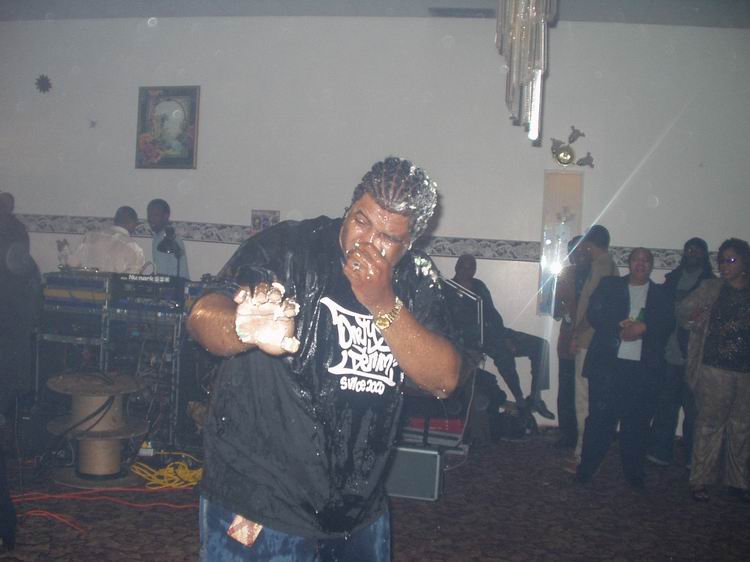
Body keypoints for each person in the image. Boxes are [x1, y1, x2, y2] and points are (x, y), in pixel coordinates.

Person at [187, 157, 461, 560]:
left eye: (387, 238)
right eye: (361, 221)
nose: (366, 243)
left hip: (358, 512)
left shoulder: (416, 278)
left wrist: (383, 303)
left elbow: (444, 379)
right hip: (260, 502)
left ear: (410, 243)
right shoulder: (290, 248)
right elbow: (201, 315)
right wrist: (244, 327)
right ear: (349, 208)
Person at [575, 248, 673, 489]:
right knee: (599, 421)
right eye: (636, 259)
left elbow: (668, 324)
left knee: (637, 423)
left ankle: (634, 473)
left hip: (642, 370)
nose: (641, 263)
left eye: (646, 260)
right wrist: (619, 329)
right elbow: (594, 313)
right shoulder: (610, 285)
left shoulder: (661, 295)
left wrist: (644, 328)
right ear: (629, 263)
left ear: (652, 265)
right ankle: (586, 469)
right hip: (608, 367)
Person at [678, 238, 750, 503]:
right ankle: (699, 479)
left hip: (745, 371)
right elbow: (682, 314)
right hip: (714, 368)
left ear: (745, 263)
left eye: (731, 260)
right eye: (721, 260)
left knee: (742, 427)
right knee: (709, 425)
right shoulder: (711, 288)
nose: (725, 266)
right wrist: (695, 318)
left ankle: (738, 481)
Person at [453, 254, 554, 421]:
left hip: (497, 331)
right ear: (457, 267)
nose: (468, 270)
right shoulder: (449, 289)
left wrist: (503, 336)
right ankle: (520, 400)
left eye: (472, 267)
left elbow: (492, 313)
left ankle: (536, 398)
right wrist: (500, 340)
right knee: (503, 354)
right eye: (464, 266)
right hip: (476, 339)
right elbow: (457, 322)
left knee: (541, 345)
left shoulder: (479, 285)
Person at [647, 238, 715, 467]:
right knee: (666, 405)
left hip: (695, 356)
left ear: (704, 254)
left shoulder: (710, 284)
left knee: (693, 410)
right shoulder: (672, 279)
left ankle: (692, 456)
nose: (692, 253)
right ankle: (661, 451)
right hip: (670, 353)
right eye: (689, 250)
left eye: (697, 250)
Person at [567, 225, 618, 471]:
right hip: (599, 341)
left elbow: (593, 308)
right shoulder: (609, 265)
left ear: (589, 245)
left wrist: (576, 333)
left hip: (589, 342)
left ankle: (581, 455)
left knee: (583, 400)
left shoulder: (600, 267)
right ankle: (586, 452)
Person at [0, 192, 39, 425]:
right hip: (14, 307)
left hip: (11, 307)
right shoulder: (16, 229)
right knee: (10, 363)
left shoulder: (14, 230)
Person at [553, 235, 591, 448]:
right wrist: (560, 306)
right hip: (568, 339)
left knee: (586, 391)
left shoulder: (597, 274)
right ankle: (567, 435)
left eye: (581, 250)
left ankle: (585, 436)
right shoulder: (566, 273)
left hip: (588, 340)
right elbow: (556, 310)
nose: (577, 255)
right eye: (572, 251)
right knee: (566, 389)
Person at [68, 206, 145, 273]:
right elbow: (131, 278)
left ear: (115, 220)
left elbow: (72, 264)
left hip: (85, 285)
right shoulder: (134, 248)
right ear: (132, 223)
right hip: (114, 286)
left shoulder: (89, 236)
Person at [147, 198, 190, 279]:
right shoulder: (157, 237)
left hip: (176, 285)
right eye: (149, 215)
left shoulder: (168, 239)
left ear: (166, 216)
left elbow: (163, 274)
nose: (151, 219)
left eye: (155, 215)